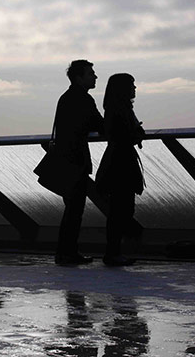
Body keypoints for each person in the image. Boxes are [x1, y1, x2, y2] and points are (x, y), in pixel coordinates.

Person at [53, 60, 105, 265]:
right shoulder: (83, 100)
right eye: (91, 73)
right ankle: (68, 253)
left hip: (65, 161)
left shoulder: (65, 98)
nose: (95, 76)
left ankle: (65, 252)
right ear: (79, 77)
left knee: (71, 210)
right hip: (76, 162)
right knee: (75, 210)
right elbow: (99, 125)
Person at [96, 73, 145, 267]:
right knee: (121, 208)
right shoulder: (120, 109)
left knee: (120, 208)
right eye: (132, 85)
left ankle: (115, 251)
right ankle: (113, 252)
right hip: (121, 163)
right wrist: (136, 133)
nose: (135, 88)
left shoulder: (115, 108)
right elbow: (123, 134)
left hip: (118, 161)